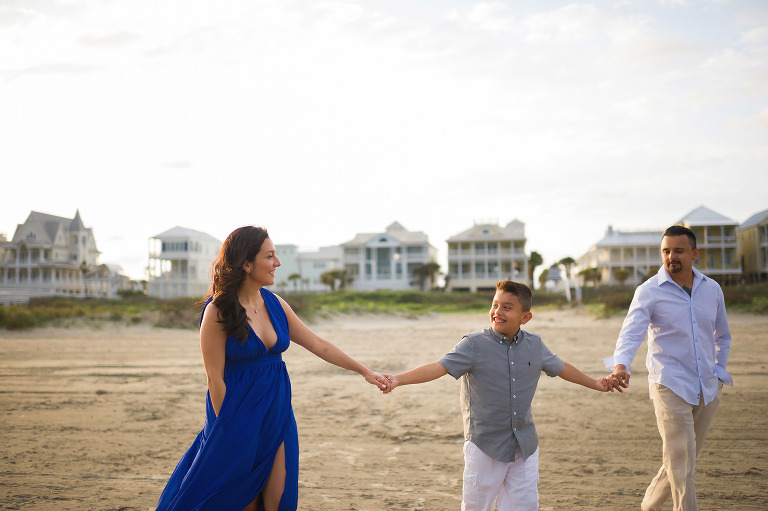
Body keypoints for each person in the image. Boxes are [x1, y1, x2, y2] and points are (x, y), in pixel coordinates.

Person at [157, 226, 389, 511]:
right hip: (236, 415)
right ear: (246, 263)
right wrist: (228, 434)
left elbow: (318, 344)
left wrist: (364, 370)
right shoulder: (218, 310)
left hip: (276, 410)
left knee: (277, 497)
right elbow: (214, 378)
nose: (277, 263)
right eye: (270, 256)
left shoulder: (276, 304)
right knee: (241, 498)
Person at [380, 280, 615, 511]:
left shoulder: (535, 345)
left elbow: (561, 367)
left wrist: (596, 383)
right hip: (485, 445)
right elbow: (437, 367)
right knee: (475, 508)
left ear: (525, 317)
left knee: (525, 507)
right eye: (495, 305)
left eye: (507, 307)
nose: (497, 312)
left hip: (524, 445)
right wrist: (398, 380)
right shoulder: (473, 345)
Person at [605, 225, 733, 511]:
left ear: (694, 254)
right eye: (666, 251)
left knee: (681, 457)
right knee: (683, 459)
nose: (671, 256)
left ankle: (649, 505)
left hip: (707, 386)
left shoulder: (712, 289)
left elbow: (722, 335)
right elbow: (630, 333)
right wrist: (620, 365)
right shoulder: (649, 291)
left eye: (678, 250)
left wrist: (720, 370)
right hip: (669, 384)